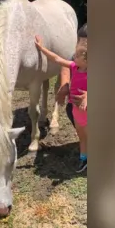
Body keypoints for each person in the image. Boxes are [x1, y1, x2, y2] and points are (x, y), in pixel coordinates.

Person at [35, 33, 88, 172]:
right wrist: (41, 48)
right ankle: (84, 159)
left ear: (86, 60)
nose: (73, 57)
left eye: (76, 55)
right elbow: (57, 59)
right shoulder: (73, 66)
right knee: (81, 137)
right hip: (77, 110)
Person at [57, 24, 88, 130]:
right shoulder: (79, 55)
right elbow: (67, 64)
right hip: (77, 105)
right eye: (81, 42)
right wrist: (64, 85)